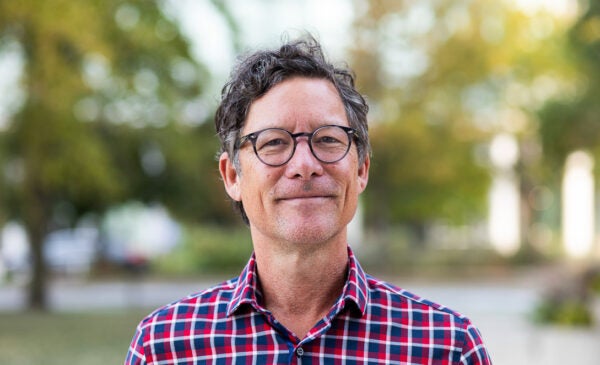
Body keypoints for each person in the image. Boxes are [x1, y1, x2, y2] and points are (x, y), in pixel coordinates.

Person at [125, 35, 492, 365]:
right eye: (273, 142)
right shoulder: (163, 348)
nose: (304, 165)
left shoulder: (446, 348)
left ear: (361, 169)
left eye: (328, 139)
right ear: (232, 176)